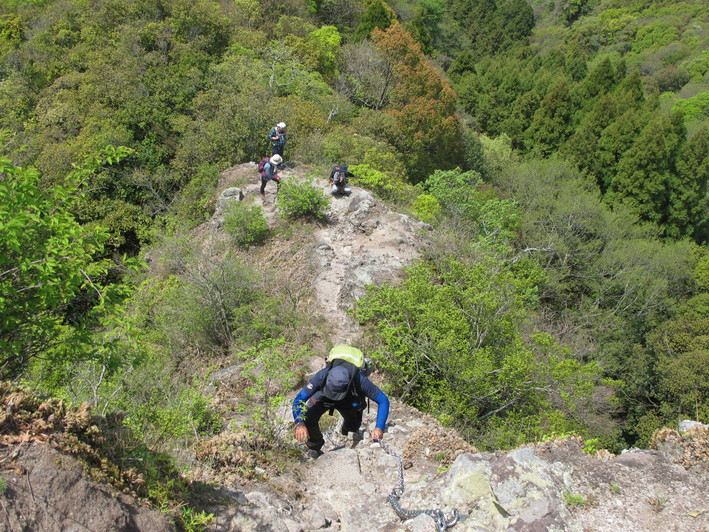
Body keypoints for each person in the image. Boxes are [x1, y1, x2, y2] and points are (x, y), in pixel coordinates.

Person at [292, 346, 389, 459]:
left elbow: (383, 401)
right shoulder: (322, 375)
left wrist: (379, 428)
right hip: (324, 396)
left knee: (353, 426)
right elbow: (298, 400)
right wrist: (299, 423)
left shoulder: (359, 379)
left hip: (349, 397)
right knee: (307, 417)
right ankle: (314, 447)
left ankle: (345, 435)